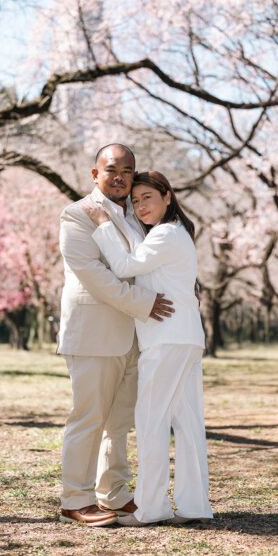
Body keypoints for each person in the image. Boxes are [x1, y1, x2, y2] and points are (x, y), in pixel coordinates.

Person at [82, 170, 213, 526]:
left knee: (151, 421)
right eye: (136, 200)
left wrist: (102, 224)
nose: (140, 206)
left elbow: (125, 265)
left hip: (167, 339)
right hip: (185, 337)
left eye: (147, 198)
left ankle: (150, 508)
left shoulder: (166, 233)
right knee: (187, 423)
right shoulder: (175, 233)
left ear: (167, 196)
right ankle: (193, 505)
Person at [58, 144, 175, 527]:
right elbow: (95, 276)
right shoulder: (77, 215)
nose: (121, 177)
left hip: (135, 336)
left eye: (128, 170)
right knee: (88, 417)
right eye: (112, 170)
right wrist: (145, 303)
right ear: (96, 174)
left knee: (119, 422)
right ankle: (75, 499)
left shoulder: (138, 214)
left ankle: (115, 493)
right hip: (94, 333)